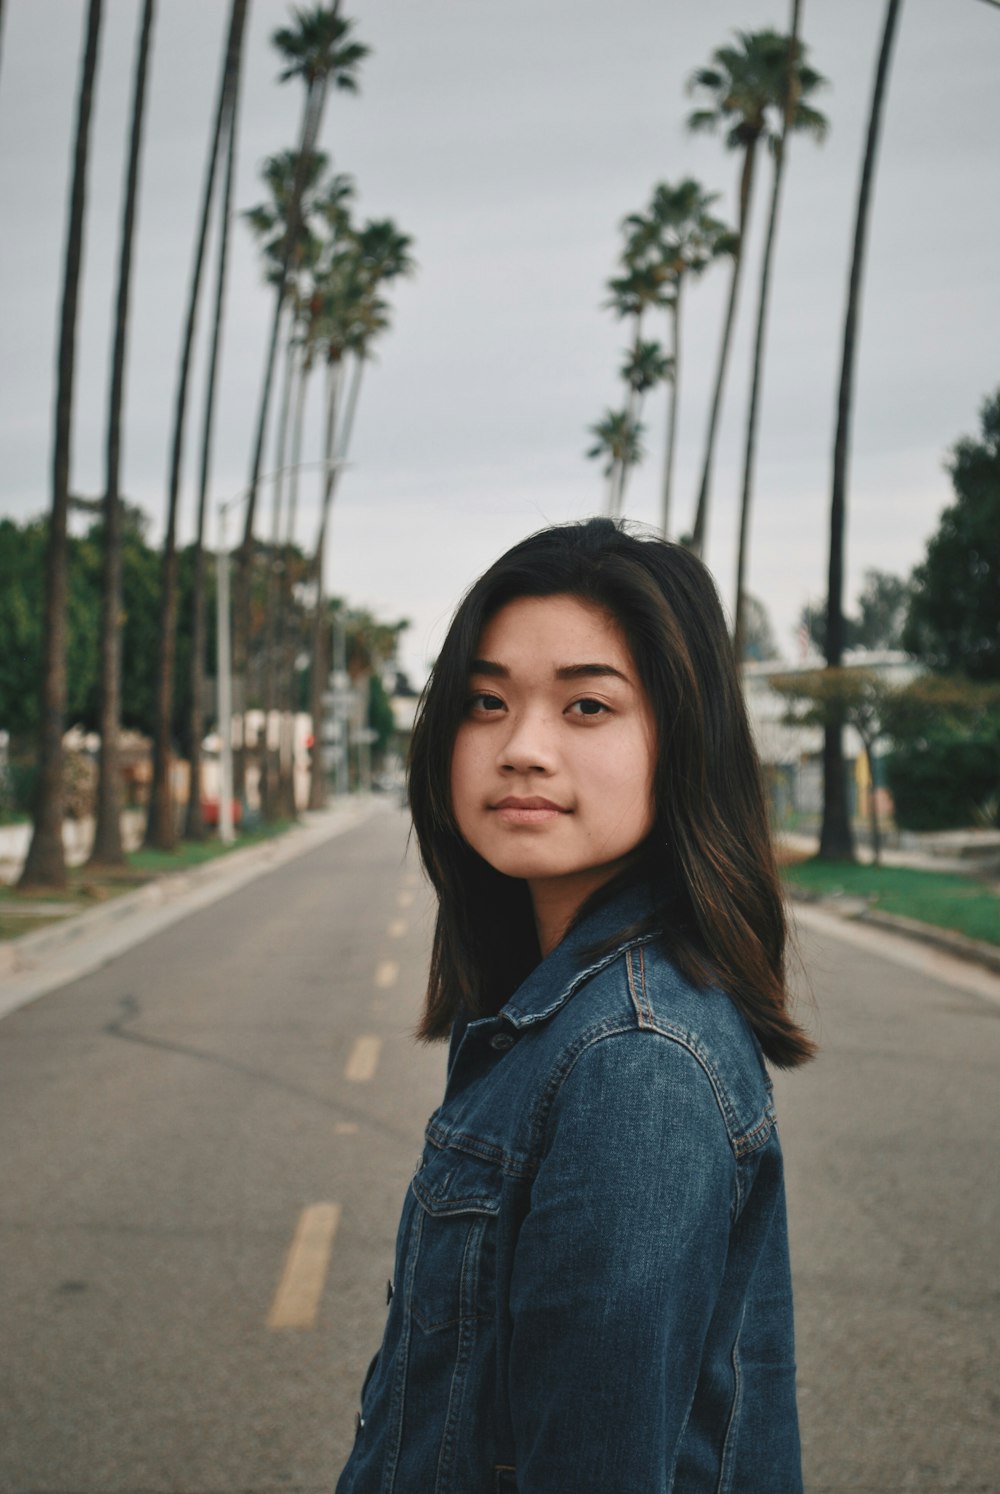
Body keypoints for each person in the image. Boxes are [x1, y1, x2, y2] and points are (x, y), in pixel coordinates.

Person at [336, 518, 814, 1493]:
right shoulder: (550, 1011)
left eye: (586, 706)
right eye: (484, 701)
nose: (521, 748)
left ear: (679, 739)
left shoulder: (634, 1061)